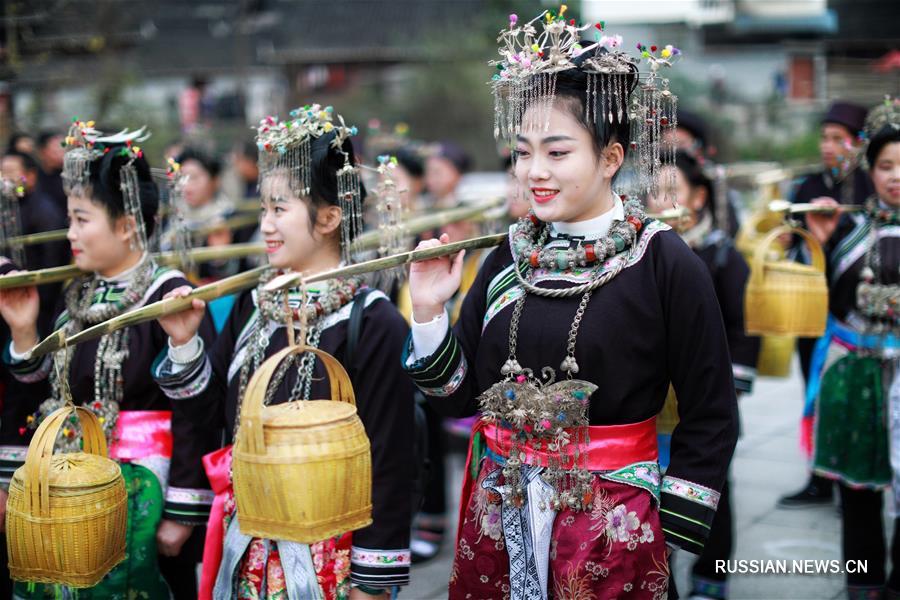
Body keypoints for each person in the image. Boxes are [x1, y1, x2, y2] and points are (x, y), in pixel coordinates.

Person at [403, 13, 738, 599]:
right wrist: (428, 311)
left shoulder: (663, 263)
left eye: (557, 153)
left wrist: (671, 528)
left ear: (611, 158)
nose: (534, 172)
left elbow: (709, 410)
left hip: (614, 524)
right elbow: (458, 397)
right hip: (498, 514)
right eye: (523, 152)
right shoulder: (509, 257)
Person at [153, 105, 414, 600]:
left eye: (280, 209)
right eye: (263, 209)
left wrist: (373, 580)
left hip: (331, 553)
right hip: (246, 542)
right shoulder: (255, 309)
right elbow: (214, 418)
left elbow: (391, 454)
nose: (266, 226)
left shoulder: (371, 320)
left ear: (330, 217)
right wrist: (186, 341)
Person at [0, 122, 219, 598]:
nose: (70, 232)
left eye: (81, 219)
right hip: (66, 493)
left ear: (125, 224)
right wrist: (23, 330)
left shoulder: (170, 297)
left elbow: (200, 410)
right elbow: (41, 395)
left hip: (143, 498)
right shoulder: (76, 295)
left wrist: (181, 511)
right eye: (70, 218)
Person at [649, 150, 761, 600]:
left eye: (673, 189)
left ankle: (712, 577)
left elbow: (743, 324)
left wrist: (730, 385)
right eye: (655, 190)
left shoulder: (720, 254)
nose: (663, 199)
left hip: (704, 395)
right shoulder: (642, 256)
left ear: (698, 197)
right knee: (655, 485)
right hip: (657, 402)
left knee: (714, 482)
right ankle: (661, 574)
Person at [803, 97, 900, 599]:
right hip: (855, 373)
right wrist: (822, 243)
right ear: (871, 168)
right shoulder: (850, 227)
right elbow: (830, 303)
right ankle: (863, 585)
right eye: (886, 165)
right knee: (858, 493)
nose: (895, 176)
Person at [778, 100, 875, 510]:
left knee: (856, 397)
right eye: (824, 137)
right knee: (816, 392)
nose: (828, 146)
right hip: (811, 309)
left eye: (838, 139)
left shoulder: (873, 187)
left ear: (859, 144)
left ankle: (856, 476)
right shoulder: (808, 186)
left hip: (857, 315)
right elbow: (792, 242)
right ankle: (819, 477)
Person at [0, 150, 70, 334]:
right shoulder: (8, 206)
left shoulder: (44, 211)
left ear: (30, 175)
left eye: (9, 171)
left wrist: (37, 297)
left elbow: (52, 259)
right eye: (1, 171)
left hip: (37, 302)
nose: (4, 178)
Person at [35, 131, 67, 210]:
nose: (62, 151)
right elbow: (21, 190)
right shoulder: (33, 175)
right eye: (57, 147)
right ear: (42, 151)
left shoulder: (71, 176)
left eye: (64, 147)